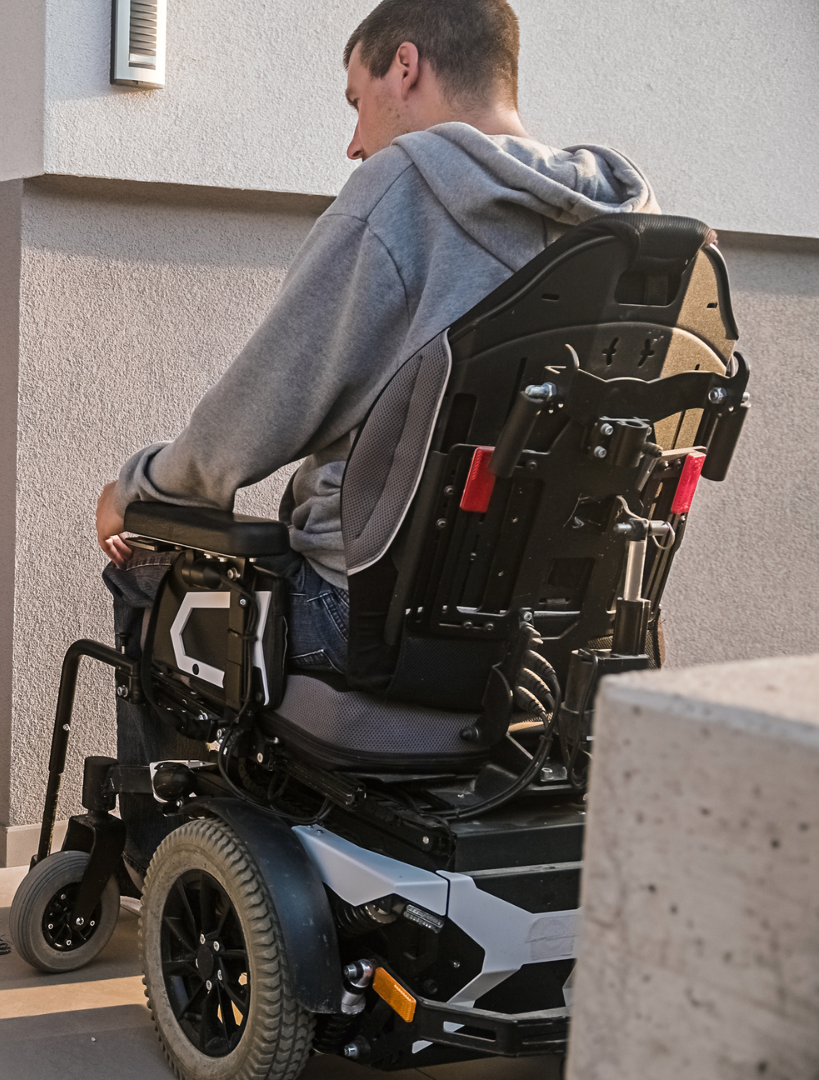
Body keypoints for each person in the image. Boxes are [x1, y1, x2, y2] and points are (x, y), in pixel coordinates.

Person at [96, 0, 658, 866]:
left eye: (355, 101)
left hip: (370, 627)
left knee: (149, 564)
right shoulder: (631, 232)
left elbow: (256, 410)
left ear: (407, 67)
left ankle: (161, 852)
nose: (354, 142)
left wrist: (140, 489)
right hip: (563, 631)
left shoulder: (406, 189)